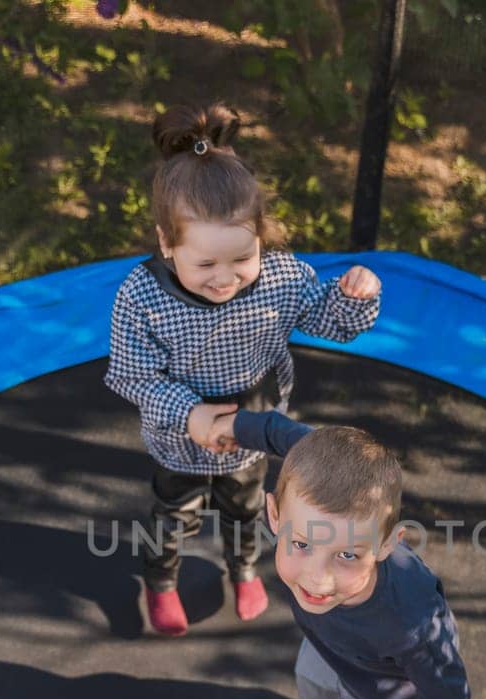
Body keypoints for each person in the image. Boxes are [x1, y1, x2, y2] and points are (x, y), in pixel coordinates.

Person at [105, 102, 381, 636]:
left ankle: (244, 568)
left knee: (247, 507)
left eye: (241, 258)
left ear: (260, 234)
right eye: (205, 264)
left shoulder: (281, 277)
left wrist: (355, 297)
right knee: (173, 516)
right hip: (179, 431)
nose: (225, 278)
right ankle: (159, 581)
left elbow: (331, 321)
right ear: (167, 243)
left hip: (255, 421)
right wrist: (191, 416)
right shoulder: (142, 297)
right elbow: (133, 376)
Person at [194, 402, 470, 699]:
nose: (317, 581)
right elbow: (287, 435)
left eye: (347, 556)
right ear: (275, 514)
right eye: (300, 545)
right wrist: (233, 426)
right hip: (331, 647)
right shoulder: (312, 480)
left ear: (386, 544)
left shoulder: (413, 621)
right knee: (314, 685)